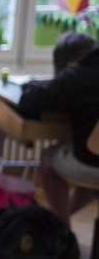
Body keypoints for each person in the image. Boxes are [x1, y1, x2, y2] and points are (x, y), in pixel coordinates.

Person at [18, 31, 99, 226]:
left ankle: (60, 227)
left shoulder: (79, 75)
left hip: (92, 162)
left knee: (49, 160)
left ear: (69, 65)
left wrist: (36, 83)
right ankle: (58, 222)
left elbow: (29, 102)